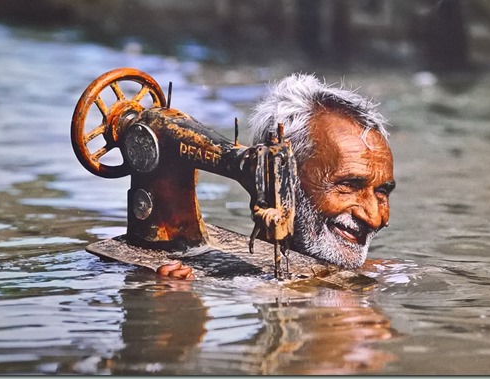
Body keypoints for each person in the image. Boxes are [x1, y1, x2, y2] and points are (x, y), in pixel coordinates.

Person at [158, 73, 395, 278]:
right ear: (283, 176)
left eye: (382, 192)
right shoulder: (183, 279)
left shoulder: (387, 275)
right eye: (348, 185)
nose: (374, 218)